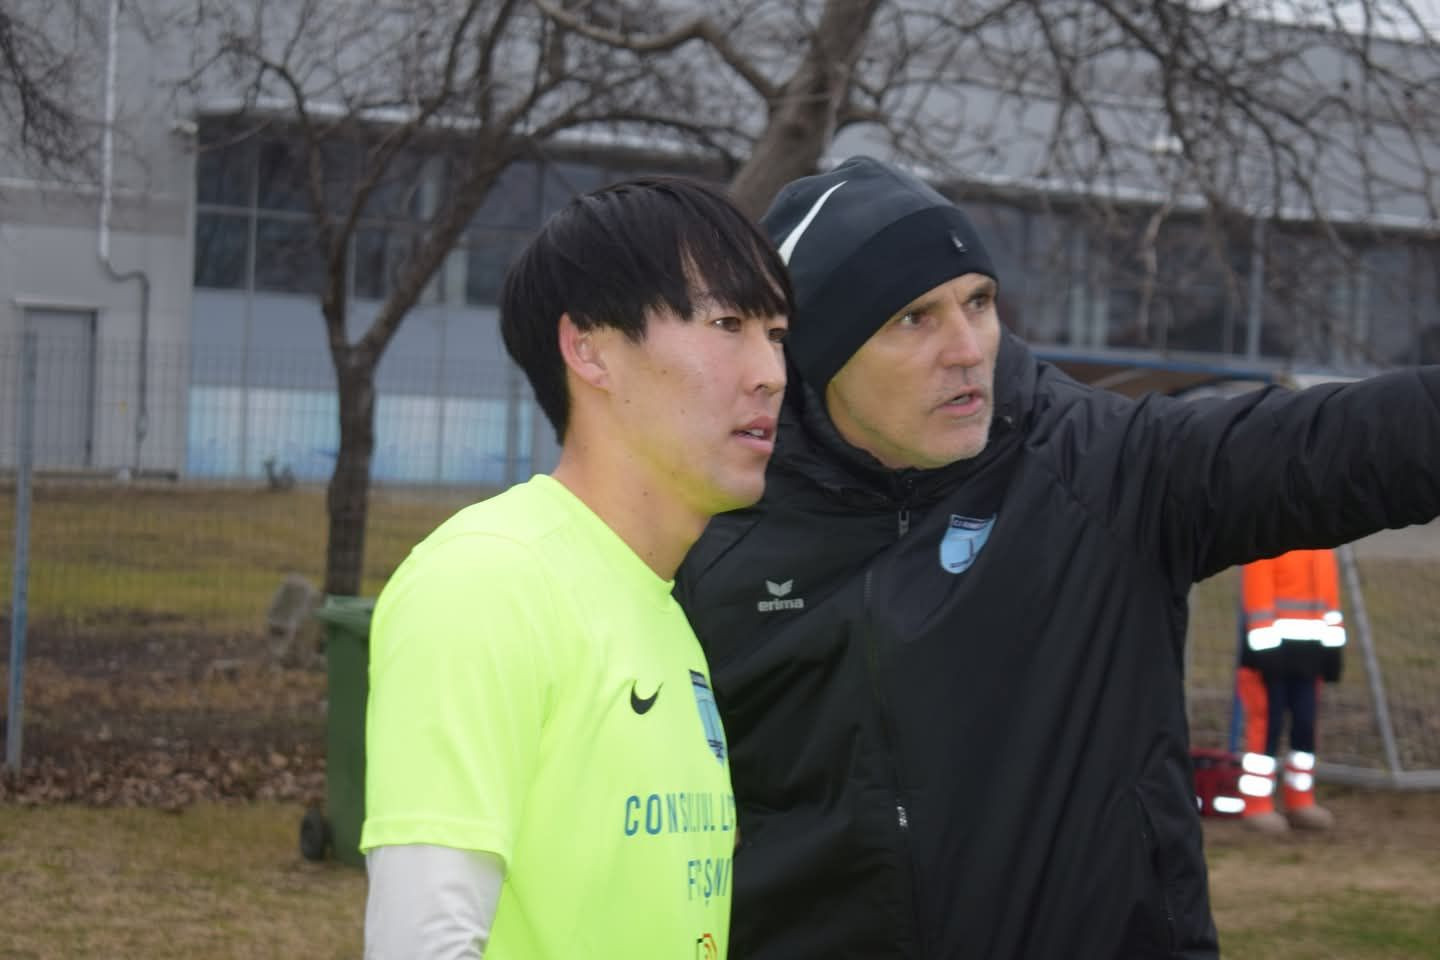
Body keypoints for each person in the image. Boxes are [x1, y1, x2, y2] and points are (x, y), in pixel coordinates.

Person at [674, 155, 1440, 959]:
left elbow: (1348, 444)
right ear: (819, 353)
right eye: (913, 319)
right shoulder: (713, 528)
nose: (967, 348)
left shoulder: (1106, 473)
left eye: (978, 302)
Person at [361, 177, 793, 959]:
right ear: (590, 349)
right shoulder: (488, 582)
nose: (770, 372)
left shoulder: (663, 612)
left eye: (778, 334)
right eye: (728, 324)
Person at [1236, 547, 1346, 833]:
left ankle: (1300, 800)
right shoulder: (1267, 541)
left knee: (1305, 729)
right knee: (1266, 729)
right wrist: (1265, 651)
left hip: (1310, 657)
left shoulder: (1323, 548)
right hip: (1269, 657)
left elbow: (1329, 600)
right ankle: (1257, 804)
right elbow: (1257, 599)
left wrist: (1332, 649)